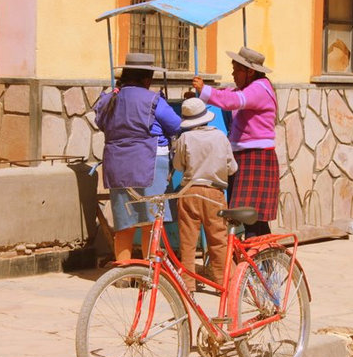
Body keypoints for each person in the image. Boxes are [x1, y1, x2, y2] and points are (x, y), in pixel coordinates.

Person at [94, 53, 181, 260]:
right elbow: (176, 125)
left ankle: (123, 274)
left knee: (125, 225)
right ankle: (147, 275)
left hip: (117, 166)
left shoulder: (108, 99)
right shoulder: (153, 99)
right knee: (150, 224)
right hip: (149, 164)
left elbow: (101, 123)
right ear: (147, 78)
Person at [191, 46, 279, 238]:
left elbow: (231, 101)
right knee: (251, 219)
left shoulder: (259, 88)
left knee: (253, 220)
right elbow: (227, 93)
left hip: (256, 157)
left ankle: (259, 264)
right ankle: (262, 264)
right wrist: (202, 94)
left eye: (237, 69)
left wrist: (204, 90)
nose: (233, 73)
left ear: (250, 71)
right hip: (246, 156)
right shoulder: (248, 87)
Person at [172, 97, 237, 292]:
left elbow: (177, 166)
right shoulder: (220, 137)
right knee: (218, 240)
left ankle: (188, 283)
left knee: (188, 241)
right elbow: (232, 167)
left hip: (190, 192)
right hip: (214, 192)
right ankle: (221, 282)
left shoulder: (185, 138)